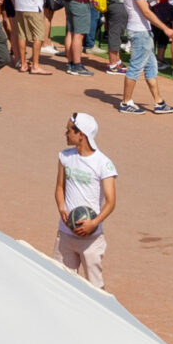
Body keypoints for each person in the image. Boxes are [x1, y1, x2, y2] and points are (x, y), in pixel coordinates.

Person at [54, 112, 117, 287]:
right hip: (65, 235)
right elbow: (60, 187)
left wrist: (94, 223)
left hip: (91, 239)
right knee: (59, 283)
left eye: (69, 131)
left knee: (96, 289)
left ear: (81, 135)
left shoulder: (103, 164)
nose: (65, 134)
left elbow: (111, 201)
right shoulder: (65, 156)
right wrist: (61, 207)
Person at [118, 0, 173, 114]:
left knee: (151, 67)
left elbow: (141, 6)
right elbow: (145, 12)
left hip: (140, 29)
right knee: (136, 67)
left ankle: (159, 101)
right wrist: (165, 28)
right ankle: (126, 101)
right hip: (140, 31)